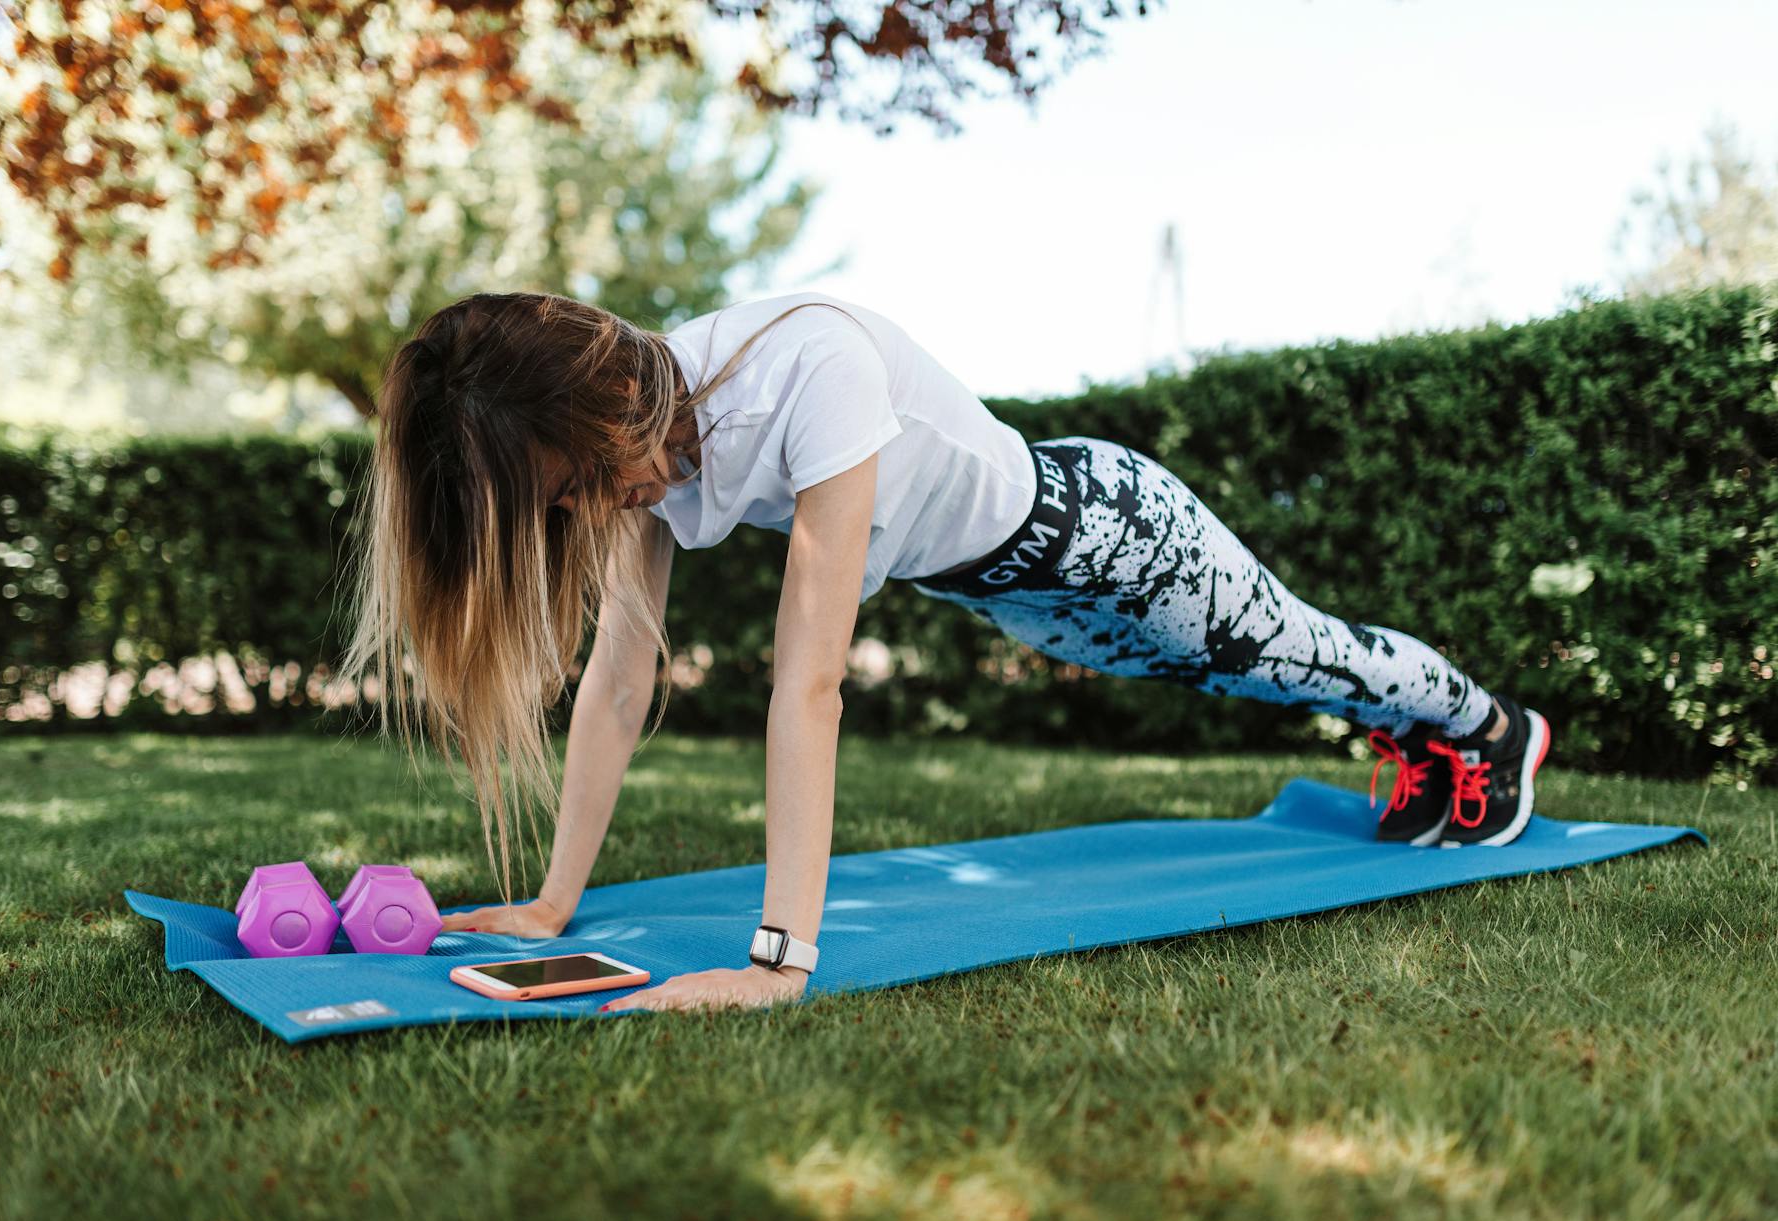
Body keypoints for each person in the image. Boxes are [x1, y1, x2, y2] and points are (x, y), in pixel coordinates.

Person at [338, 289, 1550, 1014]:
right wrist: (553, 904)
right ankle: (1418, 726)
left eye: (580, 485)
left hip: (1113, 536)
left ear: (606, 415)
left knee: (1295, 655)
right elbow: (618, 678)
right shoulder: (640, 437)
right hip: (1018, 599)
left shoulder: (809, 369)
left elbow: (806, 684)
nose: (593, 510)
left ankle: (1486, 726)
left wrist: (778, 961)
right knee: (1238, 675)